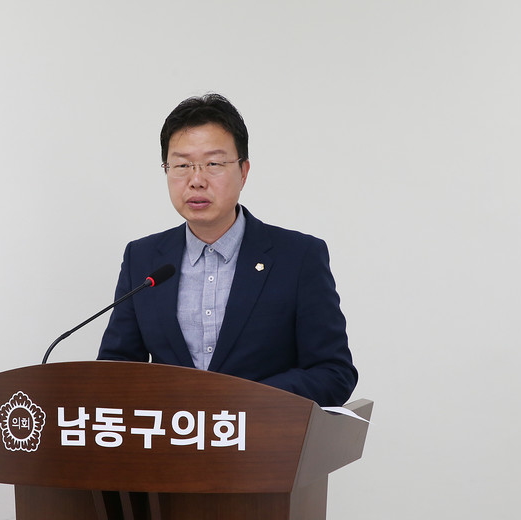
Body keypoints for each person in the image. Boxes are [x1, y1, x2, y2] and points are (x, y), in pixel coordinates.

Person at [97, 94, 356, 407]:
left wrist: (240, 400)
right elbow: (115, 370)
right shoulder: (143, 258)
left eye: (213, 164)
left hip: (262, 434)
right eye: (182, 165)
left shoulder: (299, 257)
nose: (196, 180)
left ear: (243, 171)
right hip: (171, 436)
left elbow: (333, 373)